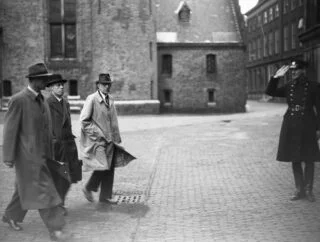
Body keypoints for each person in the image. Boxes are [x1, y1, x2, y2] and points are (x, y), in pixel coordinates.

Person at [2, 63, 68, 241]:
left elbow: (47, 129)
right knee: (45, 192)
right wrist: (8, 157)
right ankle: (56, 229)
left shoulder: (43, 100)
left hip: (44, 155)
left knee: (23, 188)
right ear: (33, 80)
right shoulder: (19, 100)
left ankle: (11, 216)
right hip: (27, 157)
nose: (46, 82)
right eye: (43, 79)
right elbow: (10, 130)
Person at [265, 59, 320, 202]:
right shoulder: (289, 87)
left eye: (296, 70)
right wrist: (276, 77)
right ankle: (299, 189)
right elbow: (270, 91)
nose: (294, 72)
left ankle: (308, 190)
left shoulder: (314, 87)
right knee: (294, 158)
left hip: (308, 124)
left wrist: (318, 128)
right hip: (291, 124)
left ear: (303, 70)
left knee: (308, 158)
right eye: (292, 70)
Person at [80, 73, 122, 204]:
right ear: (98, 85)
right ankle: (88, 188)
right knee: (103, 166)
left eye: (108, 84)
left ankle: (105, 197)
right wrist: (98, 134)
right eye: (104, 84)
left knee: (109, 168)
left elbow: (113, 120)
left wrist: (116, 138)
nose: (107, 86)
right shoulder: (91, 99)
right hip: (98, 141)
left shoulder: (110, 99)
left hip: (110, 140)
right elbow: (84, 120)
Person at [46, 74, 82, 215]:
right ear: (50, 88)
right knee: (58, 177)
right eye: (57, 85)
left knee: (69, 177)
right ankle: (57, 205)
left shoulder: (65, 103)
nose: (61, 87)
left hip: (68, 145)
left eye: (62, 85)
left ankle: (60, 203)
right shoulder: (47, 103)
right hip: (56, 147)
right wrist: (53, 140)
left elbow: (68, 124)